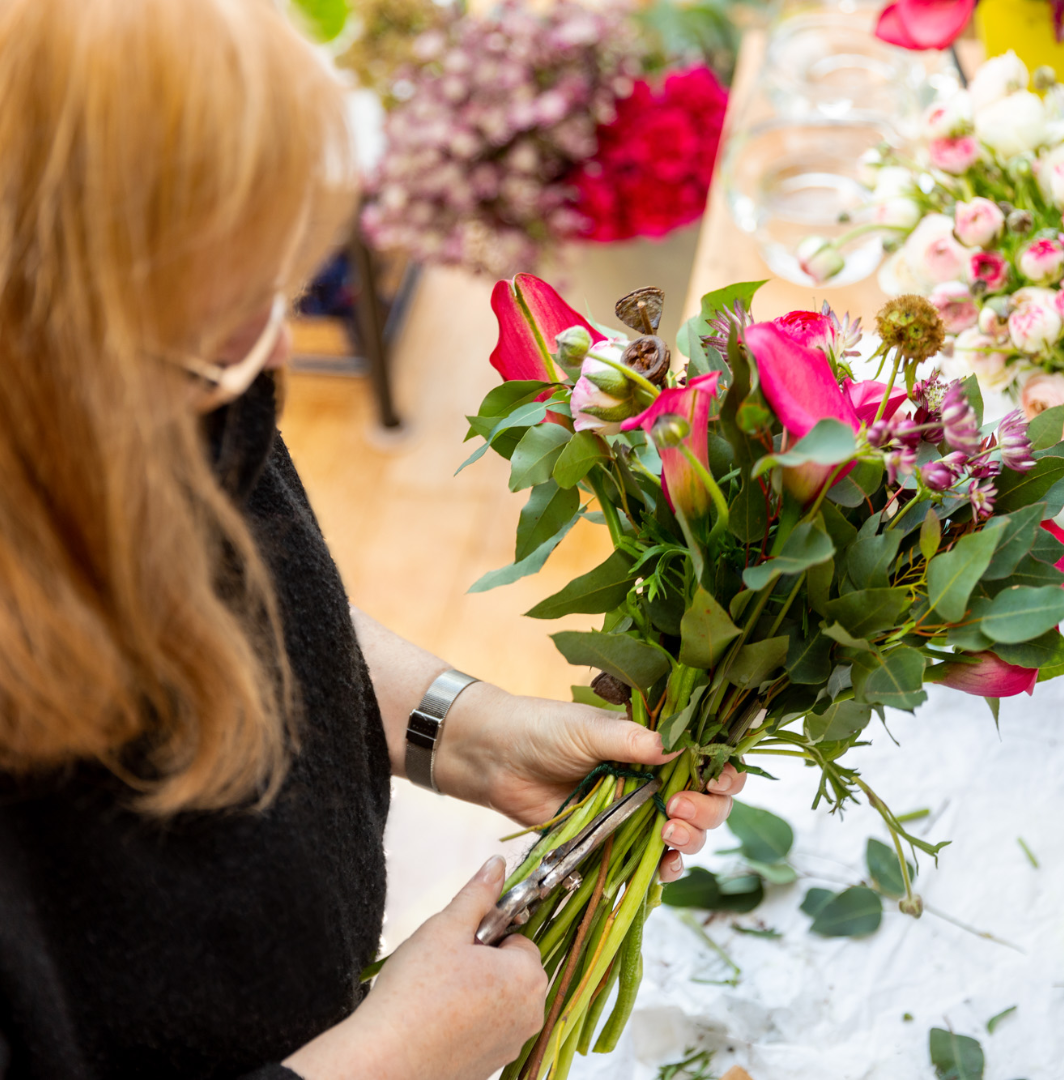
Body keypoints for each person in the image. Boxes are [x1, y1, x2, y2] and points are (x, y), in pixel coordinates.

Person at [0, 1, 746, 1078]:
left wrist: (465, 728)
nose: (264, 364)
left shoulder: (165, 389)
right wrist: (393, 1059)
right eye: (211, 342)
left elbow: (244, 596)